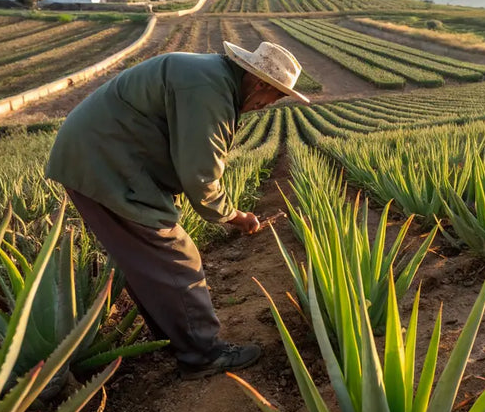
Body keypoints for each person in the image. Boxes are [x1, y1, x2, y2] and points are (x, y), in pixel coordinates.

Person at [45, 41, 310, 379]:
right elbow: (200, 175)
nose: (267, 106)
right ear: (260, 83)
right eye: (277, 96)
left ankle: (178, 342)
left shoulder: (211, 76)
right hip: (107, 164)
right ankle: (203, 353)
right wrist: (234, 216)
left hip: (104, 159)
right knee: (175, 256)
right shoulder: (208, 89)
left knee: (145, 261)